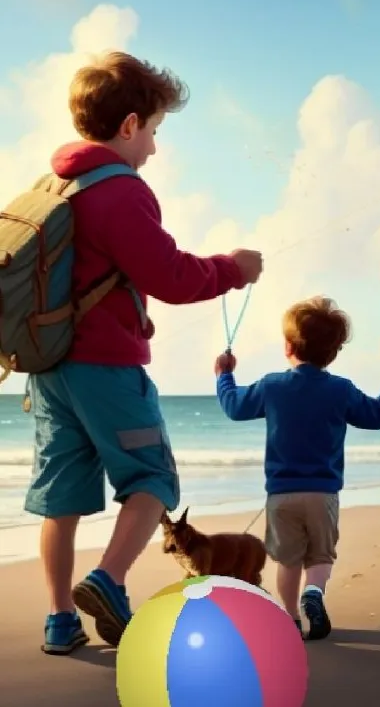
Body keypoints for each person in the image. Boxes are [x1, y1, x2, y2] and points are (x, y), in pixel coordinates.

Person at [24, 51, 263, 654]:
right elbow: (171, 277)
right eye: (153, 131)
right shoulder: (120, 190)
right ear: (129, 125)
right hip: (106, 365)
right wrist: (231, 269)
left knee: (62, 497)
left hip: (47, 368)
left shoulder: (53, 185)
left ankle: (59, 622)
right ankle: (107, 579)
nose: (154, 148)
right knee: (152, 476)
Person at [214, 295, 380, 639]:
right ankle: (313, 593)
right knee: (320, 555)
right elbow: (376, 416)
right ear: (333, 352)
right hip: (323, 492)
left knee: (287, 560)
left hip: (281, 495)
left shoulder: (272, 385)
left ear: (288, 346)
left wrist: (224, 375)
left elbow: (234, 407)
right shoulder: (340, 389)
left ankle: (290, 618)